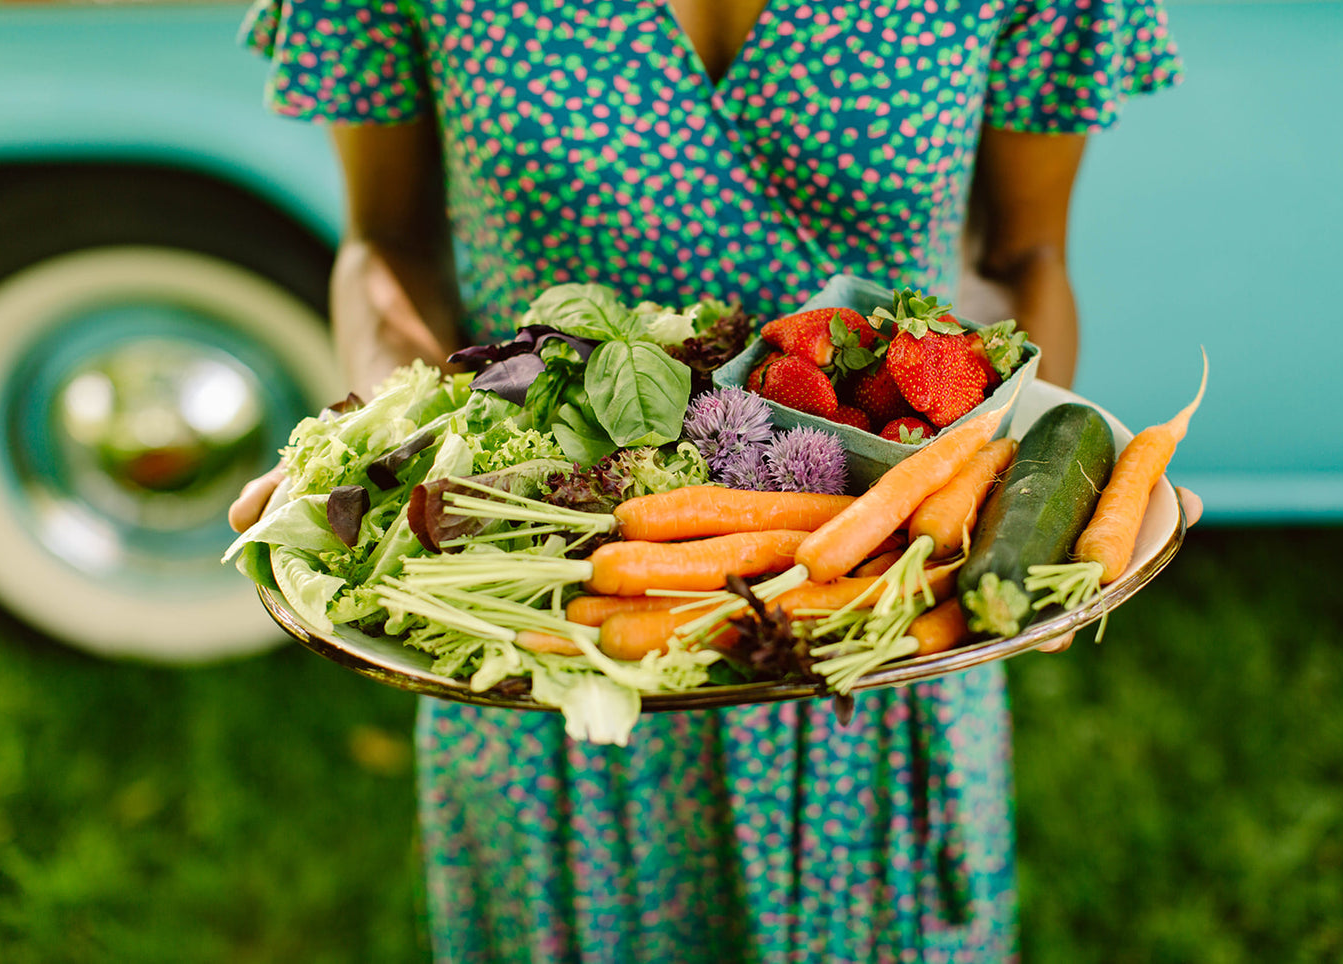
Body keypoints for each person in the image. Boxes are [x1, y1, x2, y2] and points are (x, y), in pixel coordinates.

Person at [231, 2, 1196, 960]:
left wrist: (1027, 499)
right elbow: (385, 245)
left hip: (875, 610)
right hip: (557, 609)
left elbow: (1024, 254)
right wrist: (373, 438)